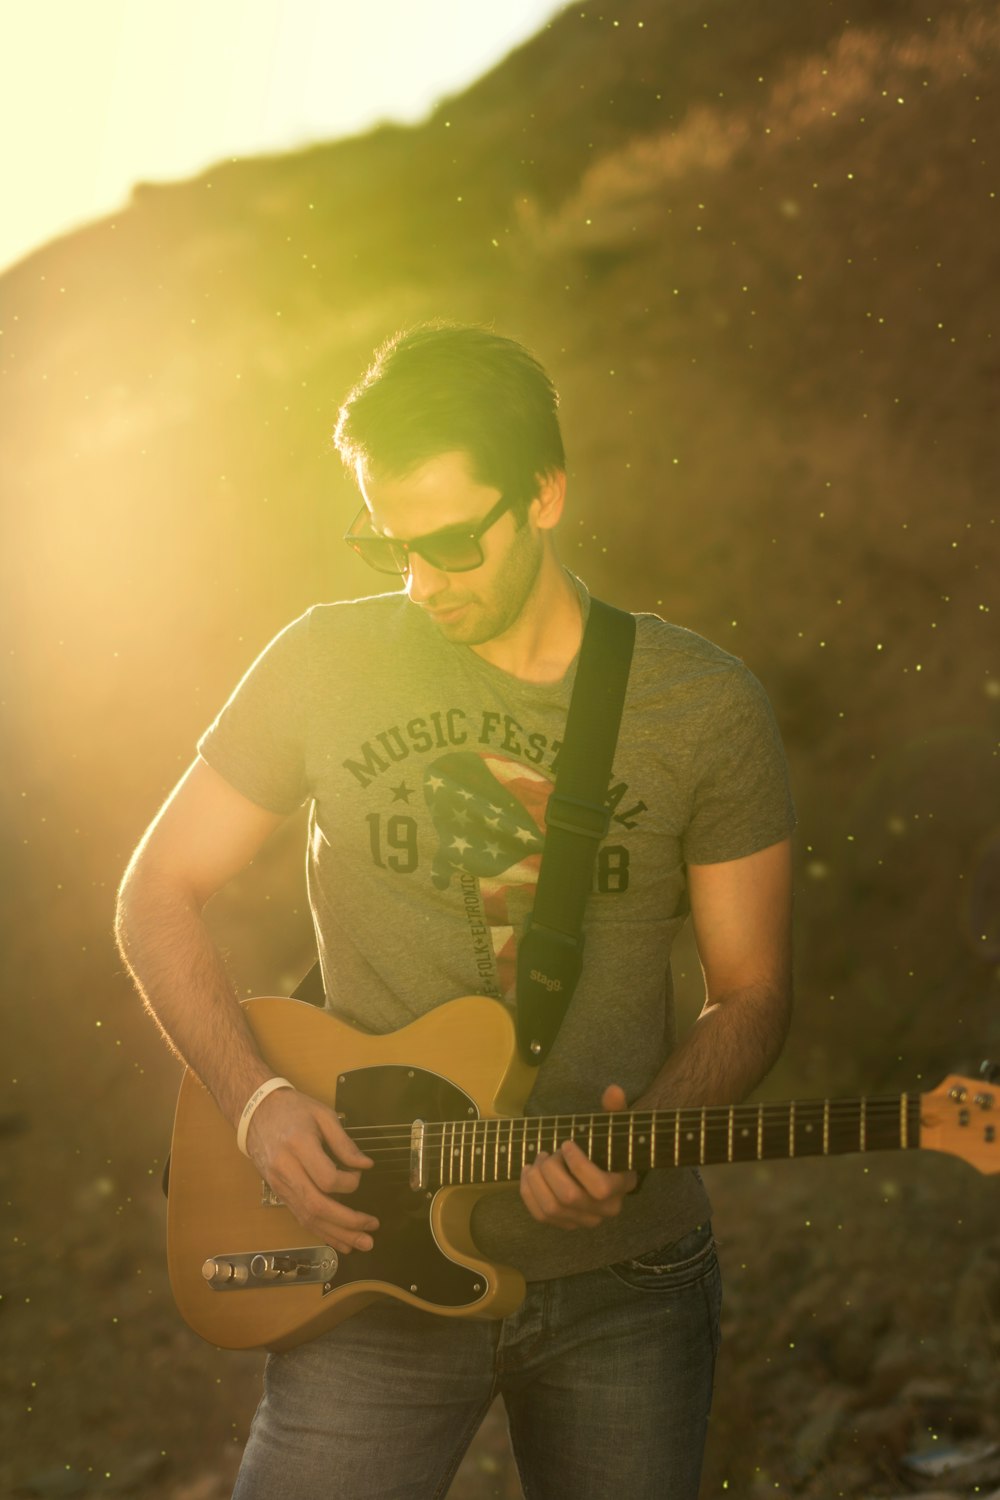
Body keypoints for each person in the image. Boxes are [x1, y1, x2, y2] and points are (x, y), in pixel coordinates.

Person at [115, 324, 795, 1500]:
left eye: (446, 543)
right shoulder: (324, 661)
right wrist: (259, 1102)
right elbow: (154, 892)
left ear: (543, 494)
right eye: (390, 545)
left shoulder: (700, 705)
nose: (421, 583)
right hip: (371, 1261)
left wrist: (636, 1148)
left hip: (624, 1285)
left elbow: (753, 993)